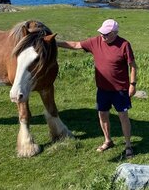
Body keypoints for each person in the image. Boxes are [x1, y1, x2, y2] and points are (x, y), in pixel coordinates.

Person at [57, 18, 137, 158]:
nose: (103, 36)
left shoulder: (124, 45)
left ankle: (128, 145)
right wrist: (55, 43)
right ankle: (108, 140)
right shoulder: (96, 42)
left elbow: (132, 66)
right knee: (102, 114)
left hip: (120, 90)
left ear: (115, 33)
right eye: (102, 33)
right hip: (102, 89)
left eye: (106, 34)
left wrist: (132, 84)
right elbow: (76, 44)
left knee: (123, 116)